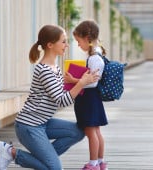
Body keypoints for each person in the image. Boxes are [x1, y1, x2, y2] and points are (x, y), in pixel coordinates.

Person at [0, 25, 99, 170]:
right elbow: (62, 100)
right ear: (50, 45)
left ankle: (45, 159)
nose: (67, 45)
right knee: (54, 168)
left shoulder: (54, 67)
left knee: (78, 132)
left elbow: (60, 93)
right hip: (29, 126)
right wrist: (81, 83)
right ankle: (11, 153)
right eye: (63, 42)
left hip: (43, 122)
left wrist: (74, 81)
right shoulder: (44, 70)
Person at [65, 20, 108, 170]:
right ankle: (100, 162)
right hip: (91, 99)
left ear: (87, 38)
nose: (78, 45)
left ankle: (93, 164)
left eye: (78, 41)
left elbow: (92, 83)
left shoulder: (95, 58)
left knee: (91, 133)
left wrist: (73, 80)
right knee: (96, 132)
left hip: (89, 100)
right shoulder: (97, 54)